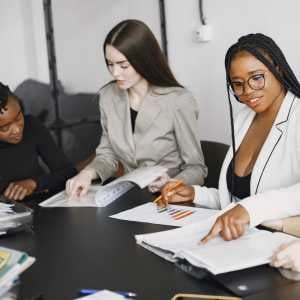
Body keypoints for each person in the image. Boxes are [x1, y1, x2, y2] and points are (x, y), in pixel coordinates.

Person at [160, 33, 300, 277]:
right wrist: (196, 193)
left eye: (256, 78)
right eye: (237, 84)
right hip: (241, 251)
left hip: (286, 256)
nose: (247, 92)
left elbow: (252, 204)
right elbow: (239, 197)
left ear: (278, 69)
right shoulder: (244, 118)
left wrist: (249, 209)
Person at [66, 19, 207, 198]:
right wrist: (87, 173)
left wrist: (171, 183)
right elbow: (107, 155)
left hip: (170, 200)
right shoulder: (108, 96)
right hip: (130, 197)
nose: (115, 73)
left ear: (144, 60)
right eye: (110, 64)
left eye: (123, 65)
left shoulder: (178, 100)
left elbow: (196, 169)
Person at [0, 82, 77, 201]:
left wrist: (34, 183)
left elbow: (69, 172)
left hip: (42, 205)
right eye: (5, 128)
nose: (17, 130)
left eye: (18, 117)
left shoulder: (31, 126)